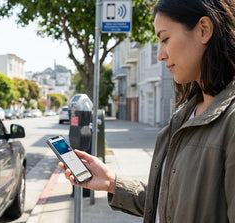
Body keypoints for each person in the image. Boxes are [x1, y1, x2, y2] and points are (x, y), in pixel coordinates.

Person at [60, 0, 235, 222]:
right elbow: (167, 203)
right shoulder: (185, 115)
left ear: (204, 30)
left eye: (165, 39)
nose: (160, 54)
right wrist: (112, 182)